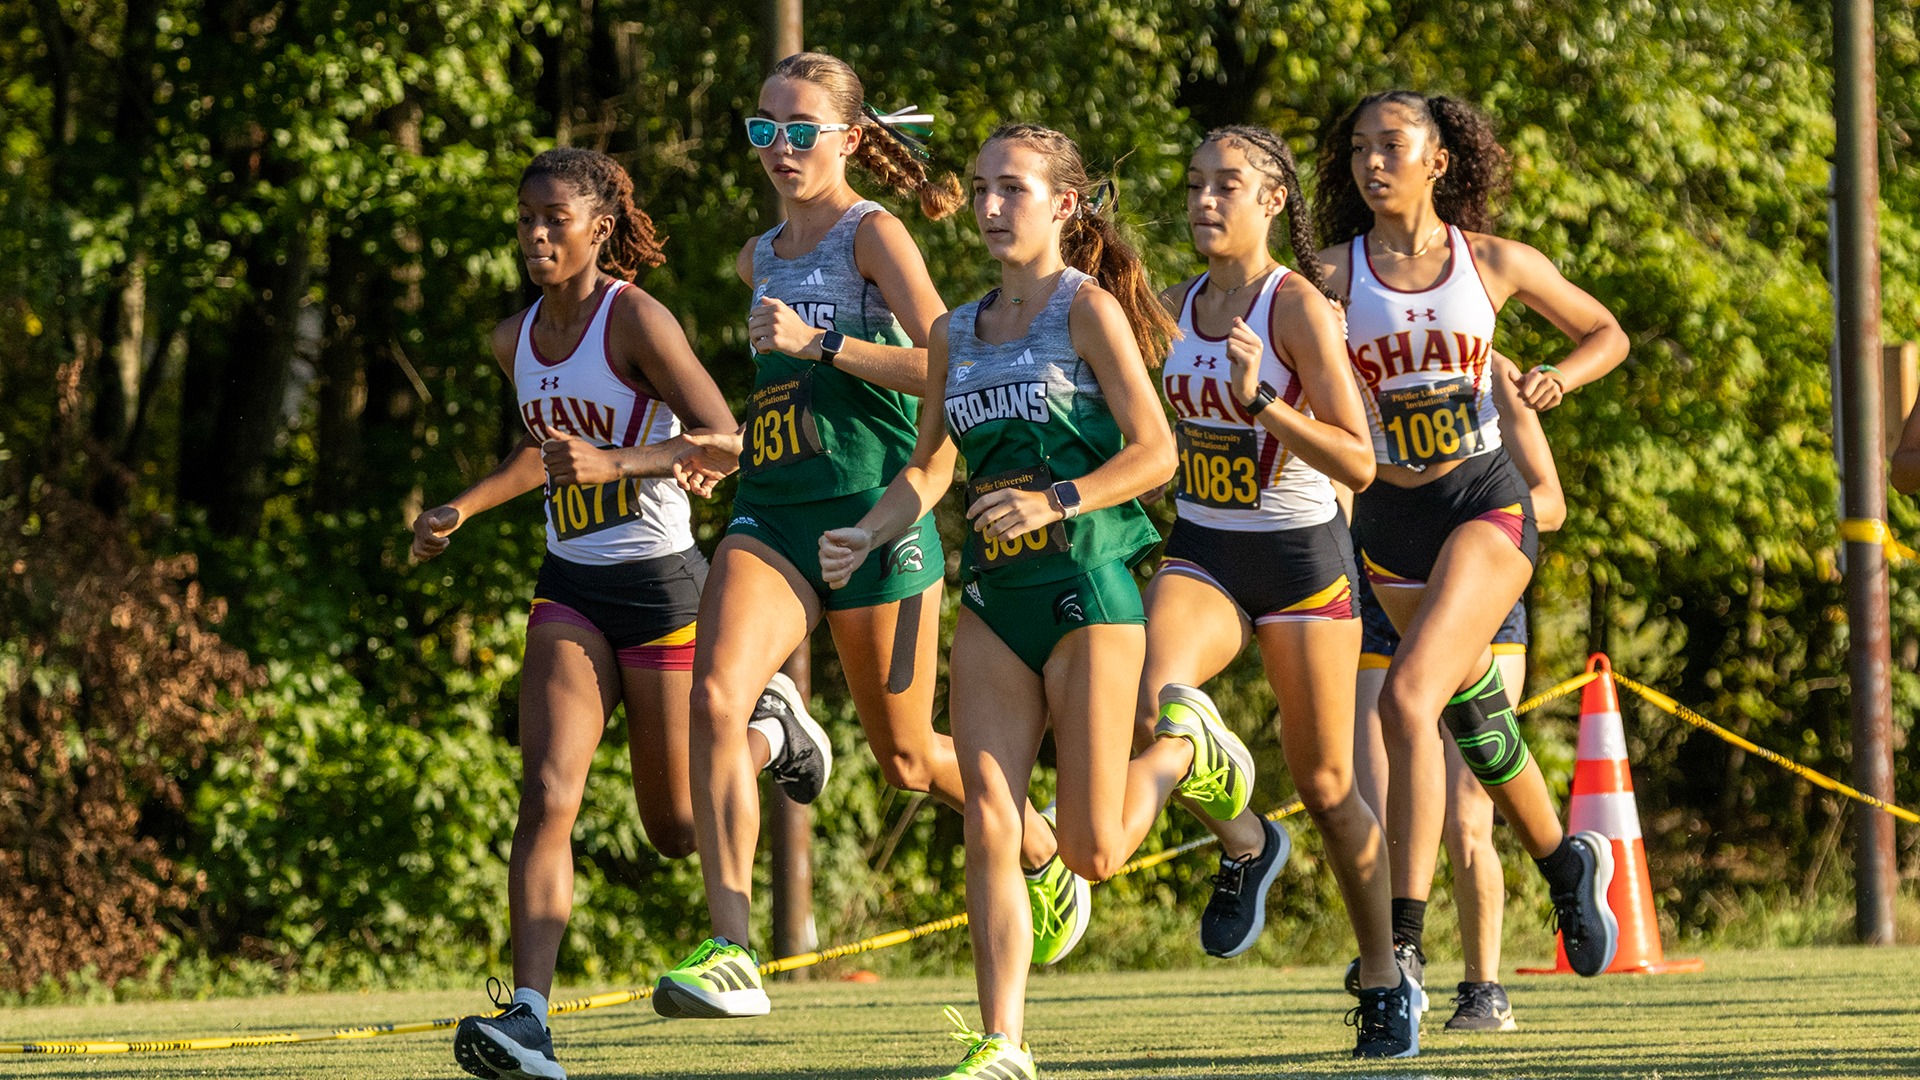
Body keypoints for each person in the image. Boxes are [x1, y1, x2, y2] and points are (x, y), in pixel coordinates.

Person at [820, 122, 1253, 1080]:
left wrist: (1059, 496)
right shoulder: (951, 330)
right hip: (995, 600)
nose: (986, 208)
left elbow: (1157, 454)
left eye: (1011, 191)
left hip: (1089, 586)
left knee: (1095, 852)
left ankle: (1184, 753)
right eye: (978, 189)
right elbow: (931, 466)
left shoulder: (1087, 310)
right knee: (989, 813)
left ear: (1062, 206)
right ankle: (1004, 1043)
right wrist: (872, 530)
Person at [653, 53, 1055, 1020]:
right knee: (713, 698)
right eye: (764, 130)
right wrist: (730, 443)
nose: (780, 150)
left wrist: (821, 343)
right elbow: (789, 395)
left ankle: (1043, 850)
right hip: (772, 511)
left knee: (911, 763)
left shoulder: (873, 234)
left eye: (800, 131)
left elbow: (945, 367)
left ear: (846, 137)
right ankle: (733, 950)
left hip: (876, 518)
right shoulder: (758, 256)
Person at [413, 148, 815, 1080]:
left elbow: (728, 436)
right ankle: (528, 1018)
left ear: (599, 227)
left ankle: (767, 733)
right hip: (570, 587)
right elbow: (544, 452)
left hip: (664, 586)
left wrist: (618, 464)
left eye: (555, 218)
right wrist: (462, 507)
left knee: (674, 829)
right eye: (523, 219)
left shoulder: (632, 316)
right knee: (547, 793)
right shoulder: (512, 339)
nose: (535, 235)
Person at [1316, 89, 1628, 994]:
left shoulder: (1489, 262)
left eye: (1392, 146)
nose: (1373, 163)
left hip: (1484, 506)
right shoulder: (1329, 278)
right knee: (1476, 725)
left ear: (1438, 160)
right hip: (1389, 525)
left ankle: (1402, 941)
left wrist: (1557, 380)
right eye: (1359, 150)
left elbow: (1606, 332)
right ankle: (1567, 862)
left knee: (1407, 701)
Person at [1141, 125, 1415, 1057]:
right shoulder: (1173, 304)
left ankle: (1385, 975)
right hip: (1206, 550)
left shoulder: (1291, 305)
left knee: (1332, 785)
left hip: (1301, 561)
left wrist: (1264, 402)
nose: (1204, 201)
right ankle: (1246, 837)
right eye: (1192, 184)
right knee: (1157, 708)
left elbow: (1360, 460)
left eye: (1226, 185)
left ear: (1271, 202)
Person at [1345, 350, 1566, 1033]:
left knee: (1468, 814)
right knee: (1375, 809)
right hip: (1385, 597)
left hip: (1479, 598)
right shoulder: (1339, 364)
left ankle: (1484, 986)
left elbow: (1548, 500)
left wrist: (1464, 525)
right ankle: (1396, 976)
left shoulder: (1489, 368)